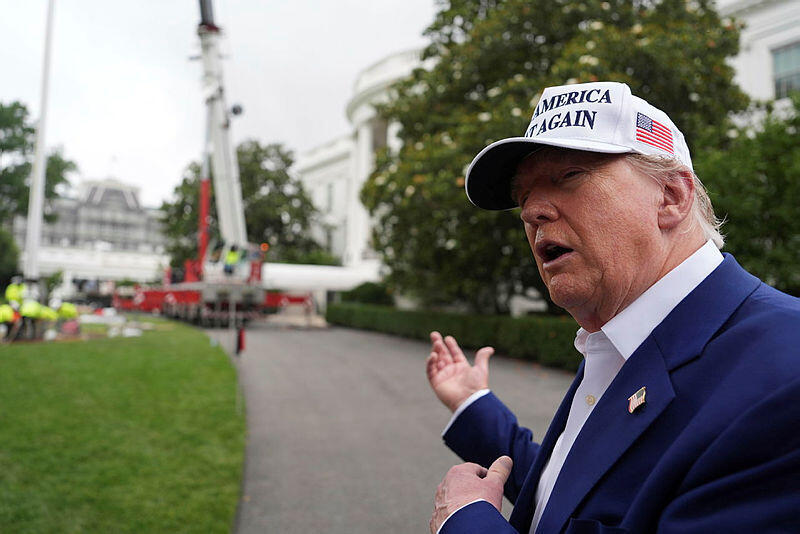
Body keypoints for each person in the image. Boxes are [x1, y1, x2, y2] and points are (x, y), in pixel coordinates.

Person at [426, 81, 800, 534]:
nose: (531, 213)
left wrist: (466, 523)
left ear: (671, 197)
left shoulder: (786, 373)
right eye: (524, 197)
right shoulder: (625, 337)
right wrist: (472, 405)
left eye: (569, 176)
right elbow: (576, 491)